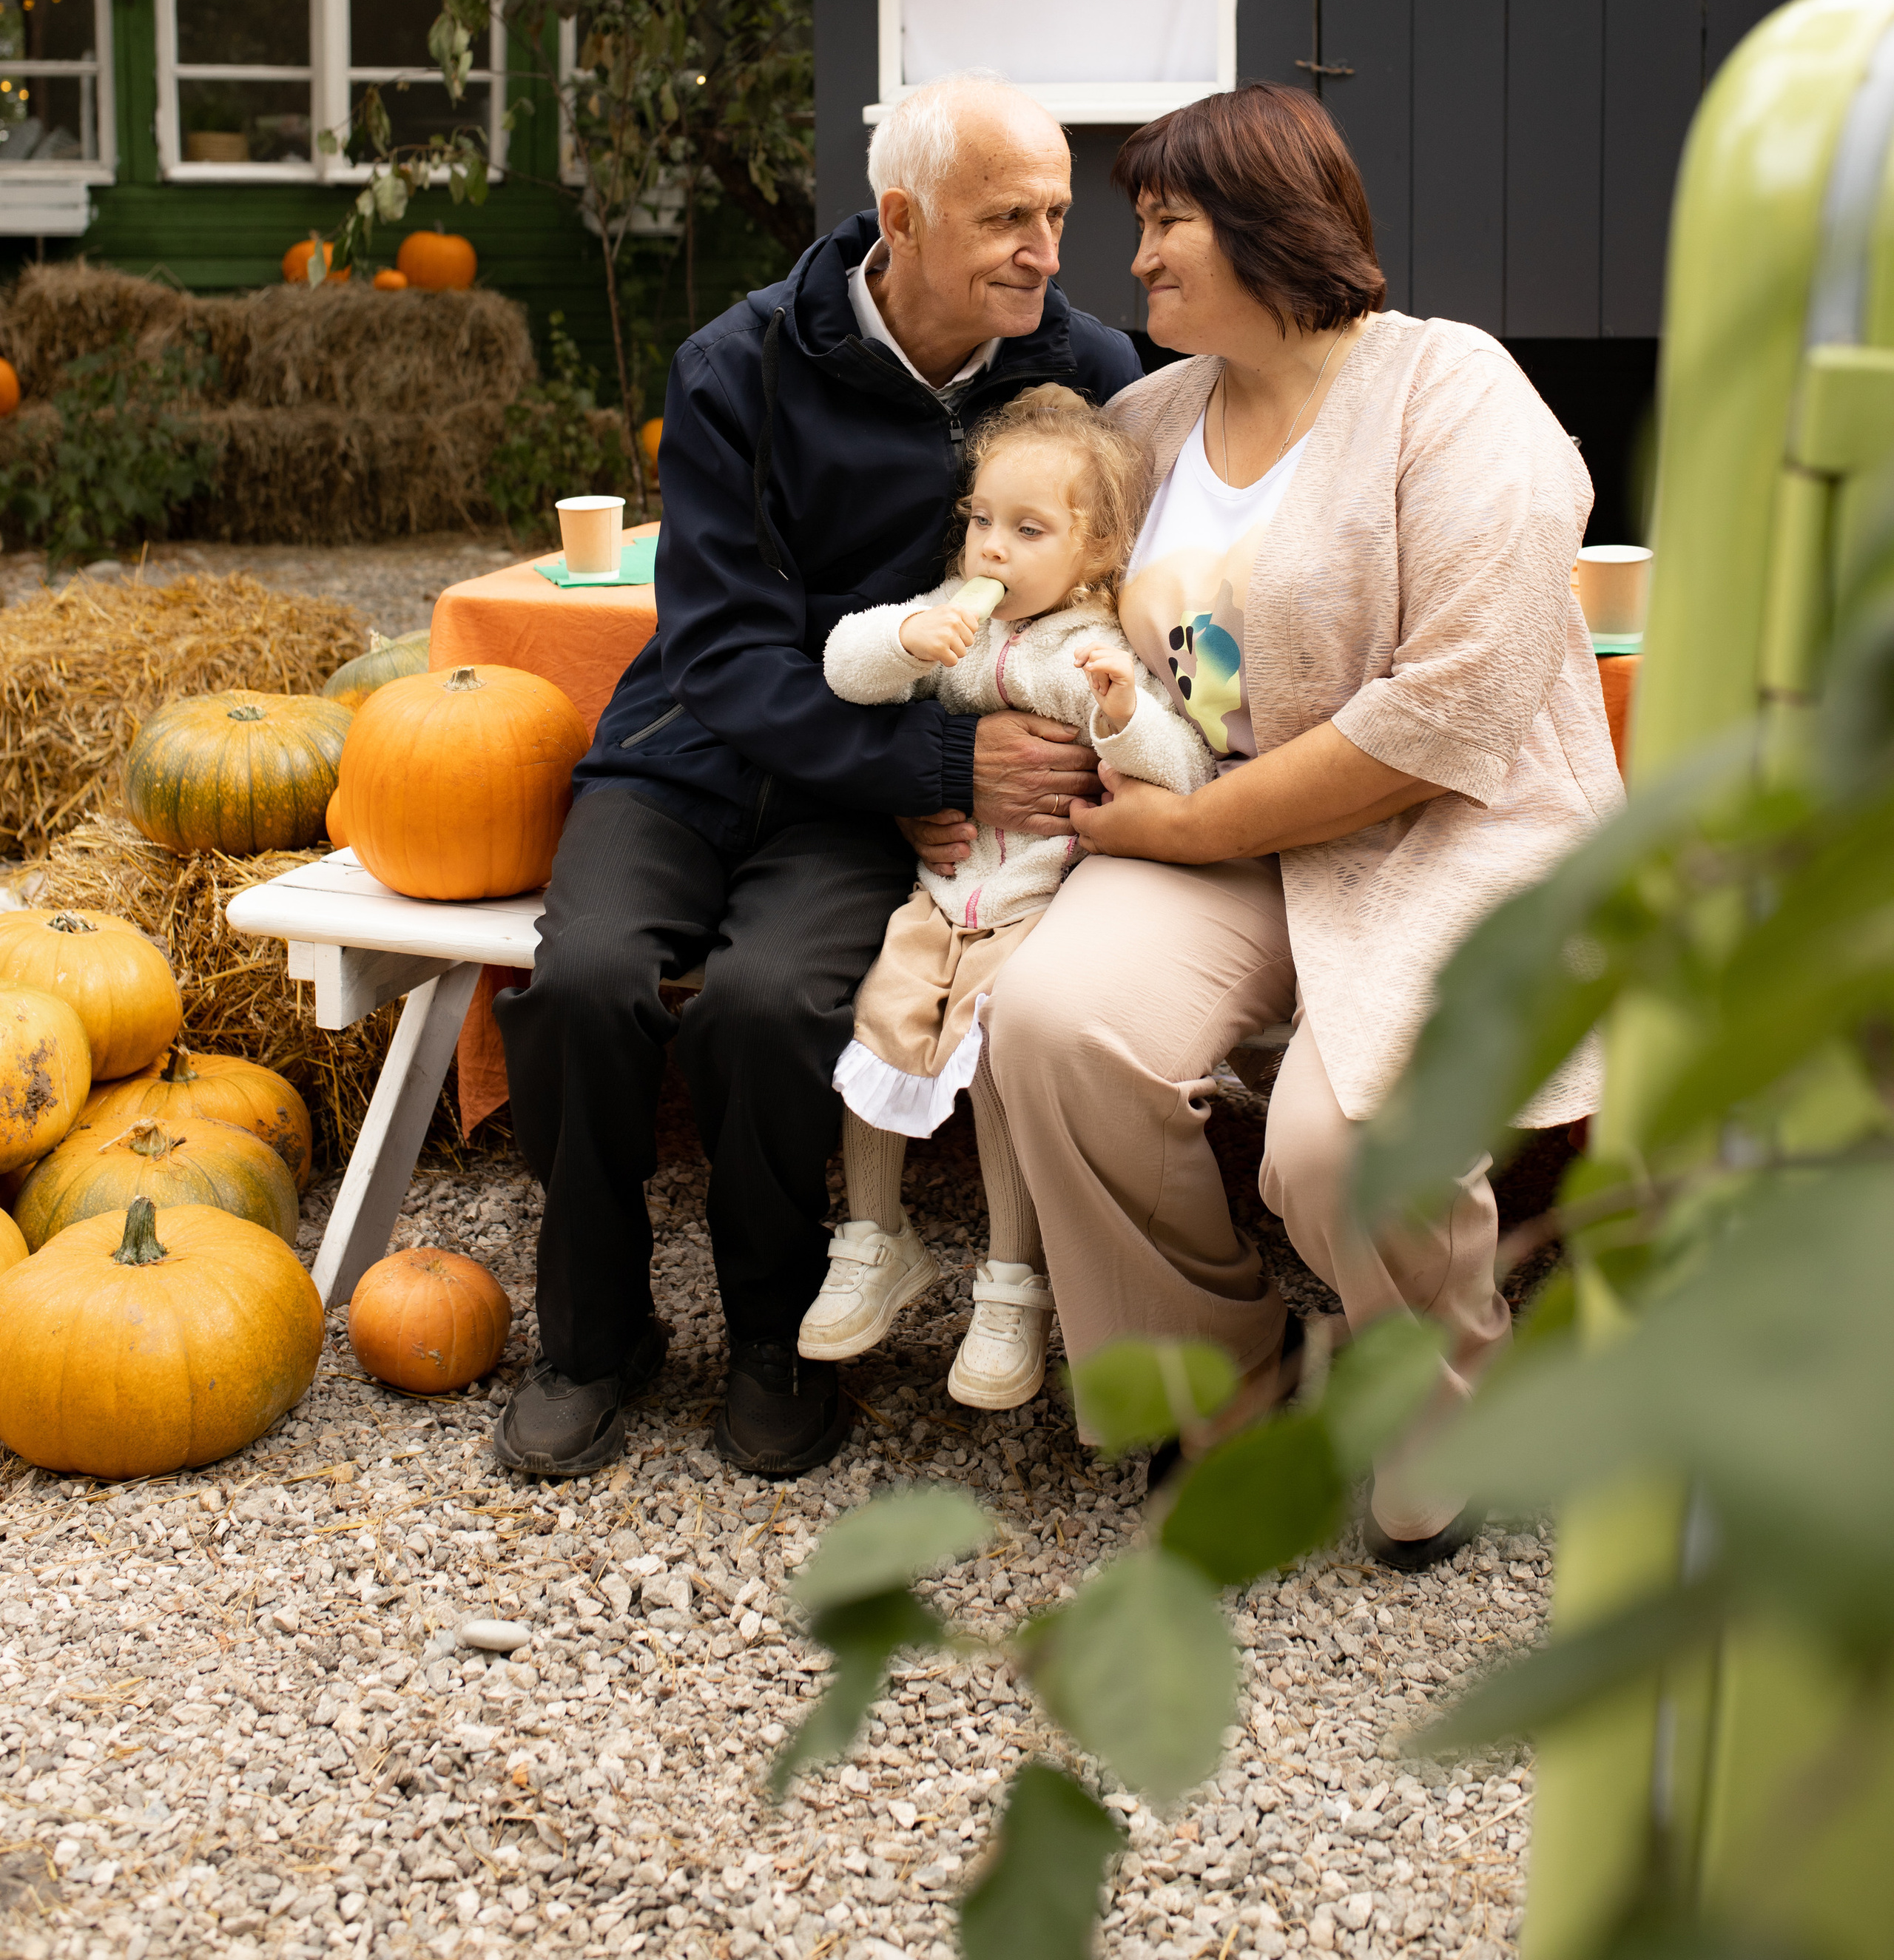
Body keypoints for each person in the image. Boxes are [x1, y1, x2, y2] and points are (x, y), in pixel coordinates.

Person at [985, 84, 1619, 1566]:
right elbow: (1059, 616)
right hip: (1214, 828)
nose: (1130, 261)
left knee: (1343, 1144)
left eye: (1161, 223)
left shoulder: (1449, 390)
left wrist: (1187, 834)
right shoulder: (1143, 420)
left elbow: (1452, 709)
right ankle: (1225, 1378)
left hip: (1455, 827)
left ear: (1268, 222)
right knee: (1054, 1021)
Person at [493, 75, 1142, 1481]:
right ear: (900, 221)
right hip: (697, 754)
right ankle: (594, 1337)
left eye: (1055, 216)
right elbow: (721, 655)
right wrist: (939, 758)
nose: (1043, 250)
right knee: (590, 978)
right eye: (1005, 219)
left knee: (770, 1000)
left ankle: (778, 1337)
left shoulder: (1086, 371)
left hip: (857, 808)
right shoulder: (740, 364)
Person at [800, 384, 1215, 1410]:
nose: (991, 550)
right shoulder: (952, 620)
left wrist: (1119, 713)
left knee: (995, 1065)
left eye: (1028, 531)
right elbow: (843, 666)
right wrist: (905, 644)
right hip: (937, 901)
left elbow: (1188, 767)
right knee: (875, 1027)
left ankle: (1014, 1281)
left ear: (1097, 552)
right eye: (981, 521)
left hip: (1035, 911)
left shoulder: (1089, 652)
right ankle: (871, 1235)